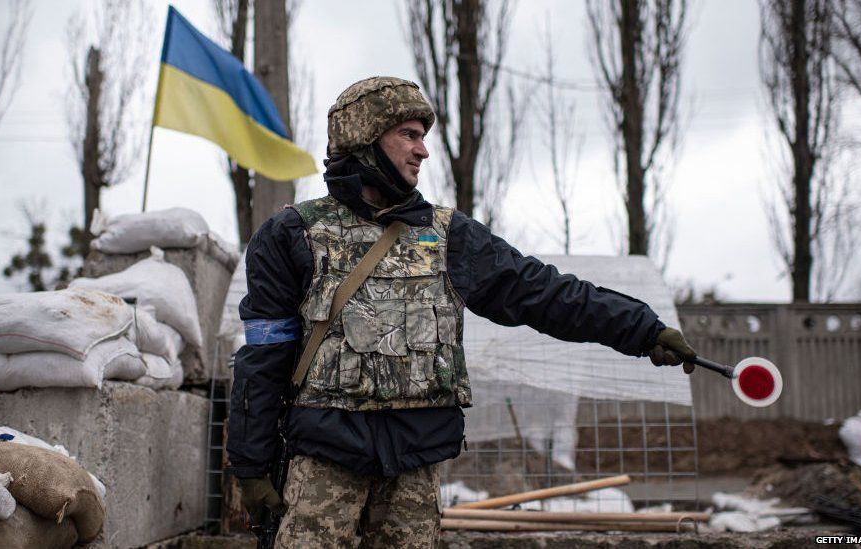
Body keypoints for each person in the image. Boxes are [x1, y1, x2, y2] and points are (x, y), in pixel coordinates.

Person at [225, 76, 698, 548]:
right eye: (408, 135)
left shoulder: (450, 236)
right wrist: (251, 467)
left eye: (423, 137)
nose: (422, 151)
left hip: (414, 464)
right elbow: (263, 359)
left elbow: (542, 292)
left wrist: (641, 329)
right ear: (364, 139)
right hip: (324, 460)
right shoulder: (291, 234)